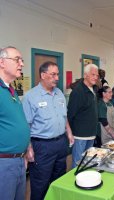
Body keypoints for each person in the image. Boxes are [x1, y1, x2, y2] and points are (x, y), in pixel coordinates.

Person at [22, 61, 74, 200]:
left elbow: (64, 116)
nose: (57, 78)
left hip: (60, 144)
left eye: (57, 74)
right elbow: (26, 125)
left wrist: (69, 132)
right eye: (53, 74)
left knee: (59, 180)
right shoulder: (30, 97)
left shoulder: (59, 93)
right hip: (42, 146)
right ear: (43, 75)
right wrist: (29, 148)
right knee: (41, 183)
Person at [0, 46, 30, 200]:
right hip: (4, 164)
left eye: (22, 60)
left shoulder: (11, 90)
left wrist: (26, 149)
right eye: (17, 59)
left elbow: (17, 123)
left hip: (18, 160)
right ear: (2, 62)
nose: (22, 64)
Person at [67, 64, 99, 168]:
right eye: (93, 74)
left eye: (97, 75)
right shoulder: (78, 91)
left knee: (85, 161)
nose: (95, 77)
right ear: (85, 75)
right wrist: (70, 133)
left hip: (91, 134)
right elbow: (70, 114)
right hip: (80, 135)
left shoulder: (93, 89)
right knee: (77, 163)